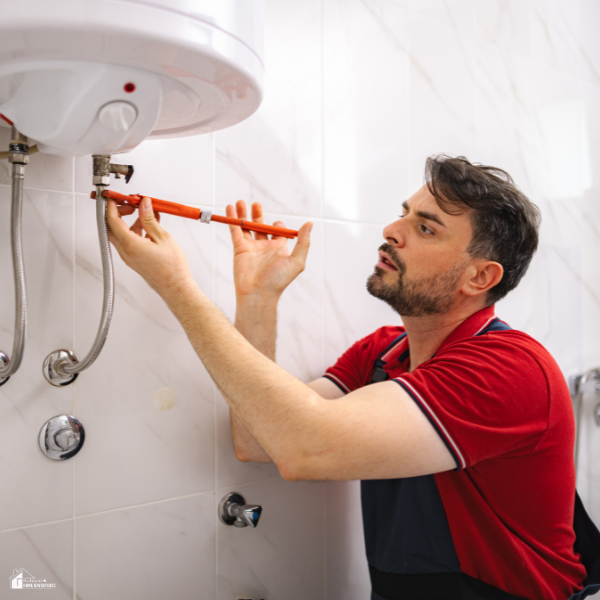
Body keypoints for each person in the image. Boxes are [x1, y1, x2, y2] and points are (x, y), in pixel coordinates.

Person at [106, 154, 591, 600]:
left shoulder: (509, 369)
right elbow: (261, 442)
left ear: (480, 278)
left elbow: (305, 448)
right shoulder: (383, 351)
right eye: (404, 212)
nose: (391, 230)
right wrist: (258, 299)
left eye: (425, 228)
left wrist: (175, 286)